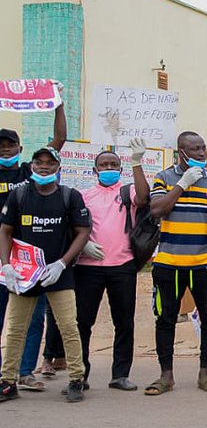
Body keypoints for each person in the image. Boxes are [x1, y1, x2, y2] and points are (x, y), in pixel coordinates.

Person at [0, 146, 92, 404]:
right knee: (16, 328)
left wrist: (63, 263)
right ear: (31, 166)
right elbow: (5, 231)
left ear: (58, 168)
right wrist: (6, 265)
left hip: (58, 273)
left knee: (68, 327)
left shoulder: (69, 196)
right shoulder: (19, 195)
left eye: (49, 164)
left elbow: (83, 231)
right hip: (24, 274)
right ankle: (8, 382)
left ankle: (76, 379)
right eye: (39, 163)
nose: (43, 167)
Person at [144, 131, 207, 397]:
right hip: (169, 262)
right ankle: (165, 375)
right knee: (165, 319)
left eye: (203, 148)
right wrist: (182, 184)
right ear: (181, 152)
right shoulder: (164, 178)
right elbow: (156, 210)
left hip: (205, 262)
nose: (201, 153)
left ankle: (205, 372)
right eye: (195, 149)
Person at [74, 140, 150, 391]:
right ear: (94, 170)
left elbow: (143, 196)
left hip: (122, 265)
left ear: (120, 168)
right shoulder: (83, 196)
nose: (109, 168)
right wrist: (83, 246)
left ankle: (120, 374)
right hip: (88, 266)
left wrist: (136, 162)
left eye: (113, 164)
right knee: (83, 321)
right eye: (104, 165)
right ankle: (80, 373)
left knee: (124, 322)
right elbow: (74, 226)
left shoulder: (126, 191)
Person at [0, 107, 67, 384]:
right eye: (1, 147)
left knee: (32, 319)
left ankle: (25, 372)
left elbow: (60, 138)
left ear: (20, 147)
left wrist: (58, 103)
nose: (5, 151)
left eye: (10, 146)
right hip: (3, 257)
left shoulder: (30, 171)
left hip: (28, 258)